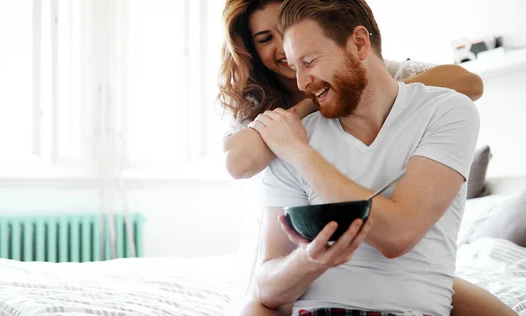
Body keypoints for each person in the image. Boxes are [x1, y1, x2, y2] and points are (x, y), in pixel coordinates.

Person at [217, 0, 517, 315]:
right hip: (295, 256)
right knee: (261, 302)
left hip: (406, 271)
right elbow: (237, 163)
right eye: (266, 39)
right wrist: (304, 117)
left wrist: (367, 93)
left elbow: (469, 83)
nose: (283, 44)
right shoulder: (271, 116)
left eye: (287, 31)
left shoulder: (424, 101)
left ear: (359, 44)